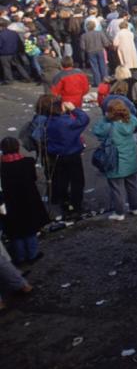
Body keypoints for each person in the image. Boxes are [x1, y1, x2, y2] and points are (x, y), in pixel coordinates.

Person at [0, 137, 49, 265]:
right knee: (30, 228)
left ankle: (20, 257)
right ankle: (32, 254)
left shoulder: (1, 167)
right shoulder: (28, 162)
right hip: (28, 199)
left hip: (9, 202)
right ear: (17, 147)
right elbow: (33, 178)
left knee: (15, 232)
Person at [93, 100, 137, 220]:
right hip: (130, 160)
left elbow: (96, 130)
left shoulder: (109, 127)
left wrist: (105, 118)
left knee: (117, 188)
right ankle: (134, 208)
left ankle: (119, 212)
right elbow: (135, 119)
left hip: (115, 161)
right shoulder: (130, 122)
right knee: (132, 185)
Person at [43, 96, 89, 217]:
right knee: (77, 181)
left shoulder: (48, 121)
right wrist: (74, 109)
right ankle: (76, 205)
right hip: (72, 154)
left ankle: (64, 202)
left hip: (57, 154)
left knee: (62, 180)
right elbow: (84, 119)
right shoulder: (66, 122)